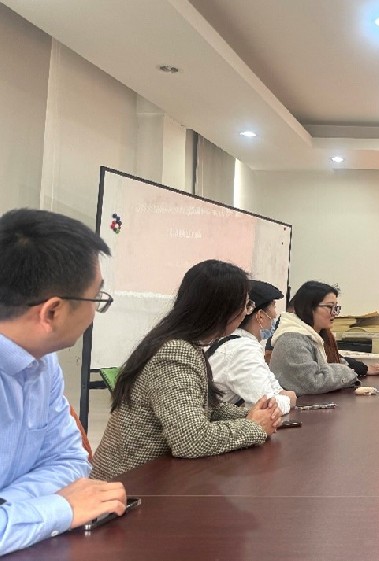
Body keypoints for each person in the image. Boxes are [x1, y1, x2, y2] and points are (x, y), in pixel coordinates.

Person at [0, 208, 126, 555]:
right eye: (96, 298)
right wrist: (58, 508)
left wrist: (9, 508)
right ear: (52, 312)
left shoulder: (43, 364)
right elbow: (68, 493)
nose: (95, 313)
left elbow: (70, 461)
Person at [92, 260, 281, 481]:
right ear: (223, 309)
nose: (246, 313)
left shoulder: (186, 343)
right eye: (246, 305)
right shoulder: (176, 352)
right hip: (128, 485)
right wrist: (253, 426)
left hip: (154, 477)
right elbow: (190, 440)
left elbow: (206, 409)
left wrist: (255, 416)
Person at [207, 280, 297, 415]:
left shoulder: (240, 342)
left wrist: (282, 396)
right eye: (273, 306)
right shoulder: (242, 349)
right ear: (260, 316)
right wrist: (289, 400)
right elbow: (266, 407)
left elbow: (274, 387)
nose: (276, 315)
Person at [269, 281, 362, 394]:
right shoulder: (292, 340)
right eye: (330, 307)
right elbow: (313, 383)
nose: (334, 313)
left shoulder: (314, 335)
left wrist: (343, 370)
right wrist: (346, 372)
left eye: (336, 308)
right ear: (309, 307)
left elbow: (334, 364)